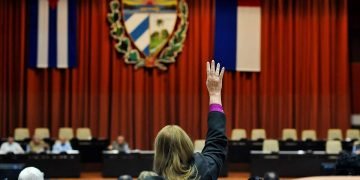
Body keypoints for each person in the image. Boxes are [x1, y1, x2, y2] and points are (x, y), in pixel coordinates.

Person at [153, 61, 227, 180]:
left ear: (159, 152)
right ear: (187, 145)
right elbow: (217, 141)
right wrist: (215, 94)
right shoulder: (205, 169)